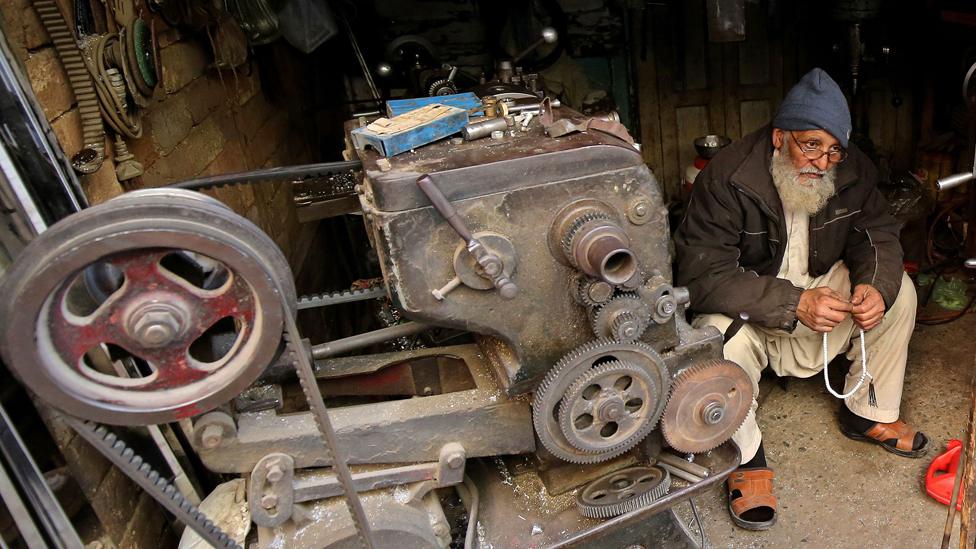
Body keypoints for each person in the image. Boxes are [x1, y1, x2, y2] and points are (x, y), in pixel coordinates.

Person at [673, 68, 928, 531]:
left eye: (832, 151)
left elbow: (877, 236)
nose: (821, 162)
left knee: (900, 293)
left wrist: (875, 285)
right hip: (758, 309)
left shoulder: (853, 171)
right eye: (809, 145)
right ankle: (745, 456)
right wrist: (794, 303)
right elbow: (700, 272)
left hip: (823, 302)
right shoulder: (728, 177)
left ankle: (867, 412)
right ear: (778, 138)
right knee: (713, 334)